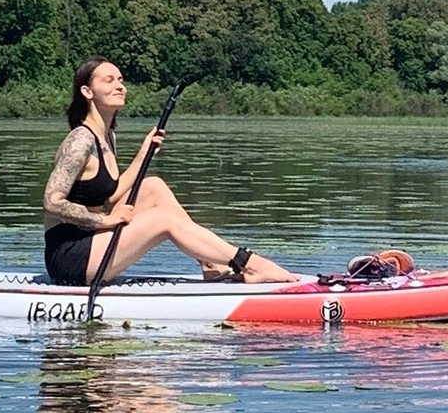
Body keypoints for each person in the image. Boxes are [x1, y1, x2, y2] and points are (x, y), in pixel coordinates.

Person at [42, 59, 298, 287]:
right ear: (87, 91)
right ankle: (249, 263)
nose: (120, 86)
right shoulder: (80, 141)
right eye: (109, 80)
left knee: (153, 186)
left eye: (121, 80)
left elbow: (109, 197)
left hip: (92, 241)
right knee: (163, 220)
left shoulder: (107, 136)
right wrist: (105, 221)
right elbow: (52, 202)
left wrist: (144, 154)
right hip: (70, 258)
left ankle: (210, 264)